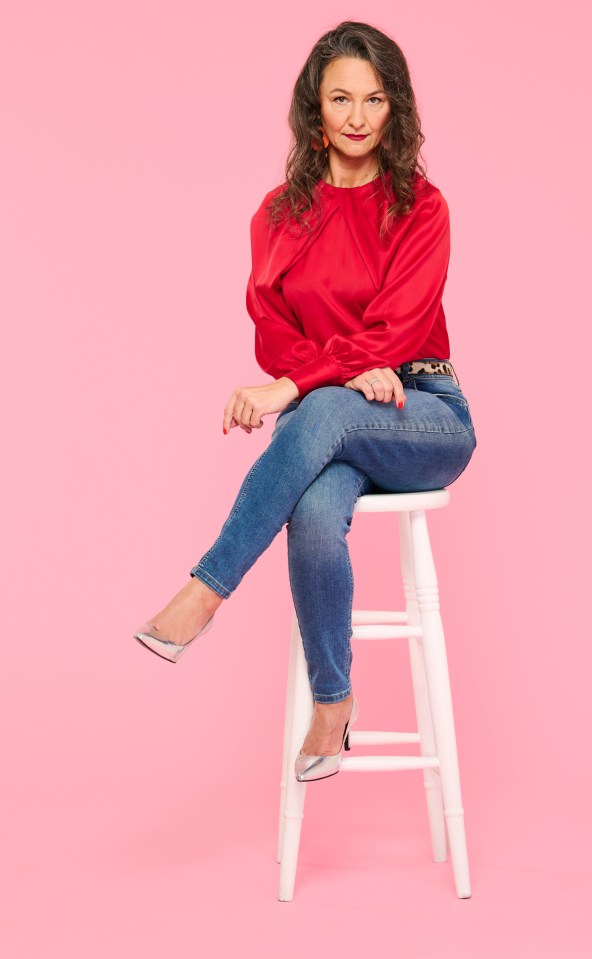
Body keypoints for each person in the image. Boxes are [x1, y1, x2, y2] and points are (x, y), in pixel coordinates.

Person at [133, 21, 477, 782]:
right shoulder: (277, 216)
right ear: (313, 110)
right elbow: (274, 329)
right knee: (315, 515)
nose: (357, 116)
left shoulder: (422, 206)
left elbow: (398, 325)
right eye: (340, 98)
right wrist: (342, 373)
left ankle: (203, 591)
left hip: (423, 407)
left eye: (374, 99)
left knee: (313, 411)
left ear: (396, 109)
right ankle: (333, 704)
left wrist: (305, 384)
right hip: (336, 413)